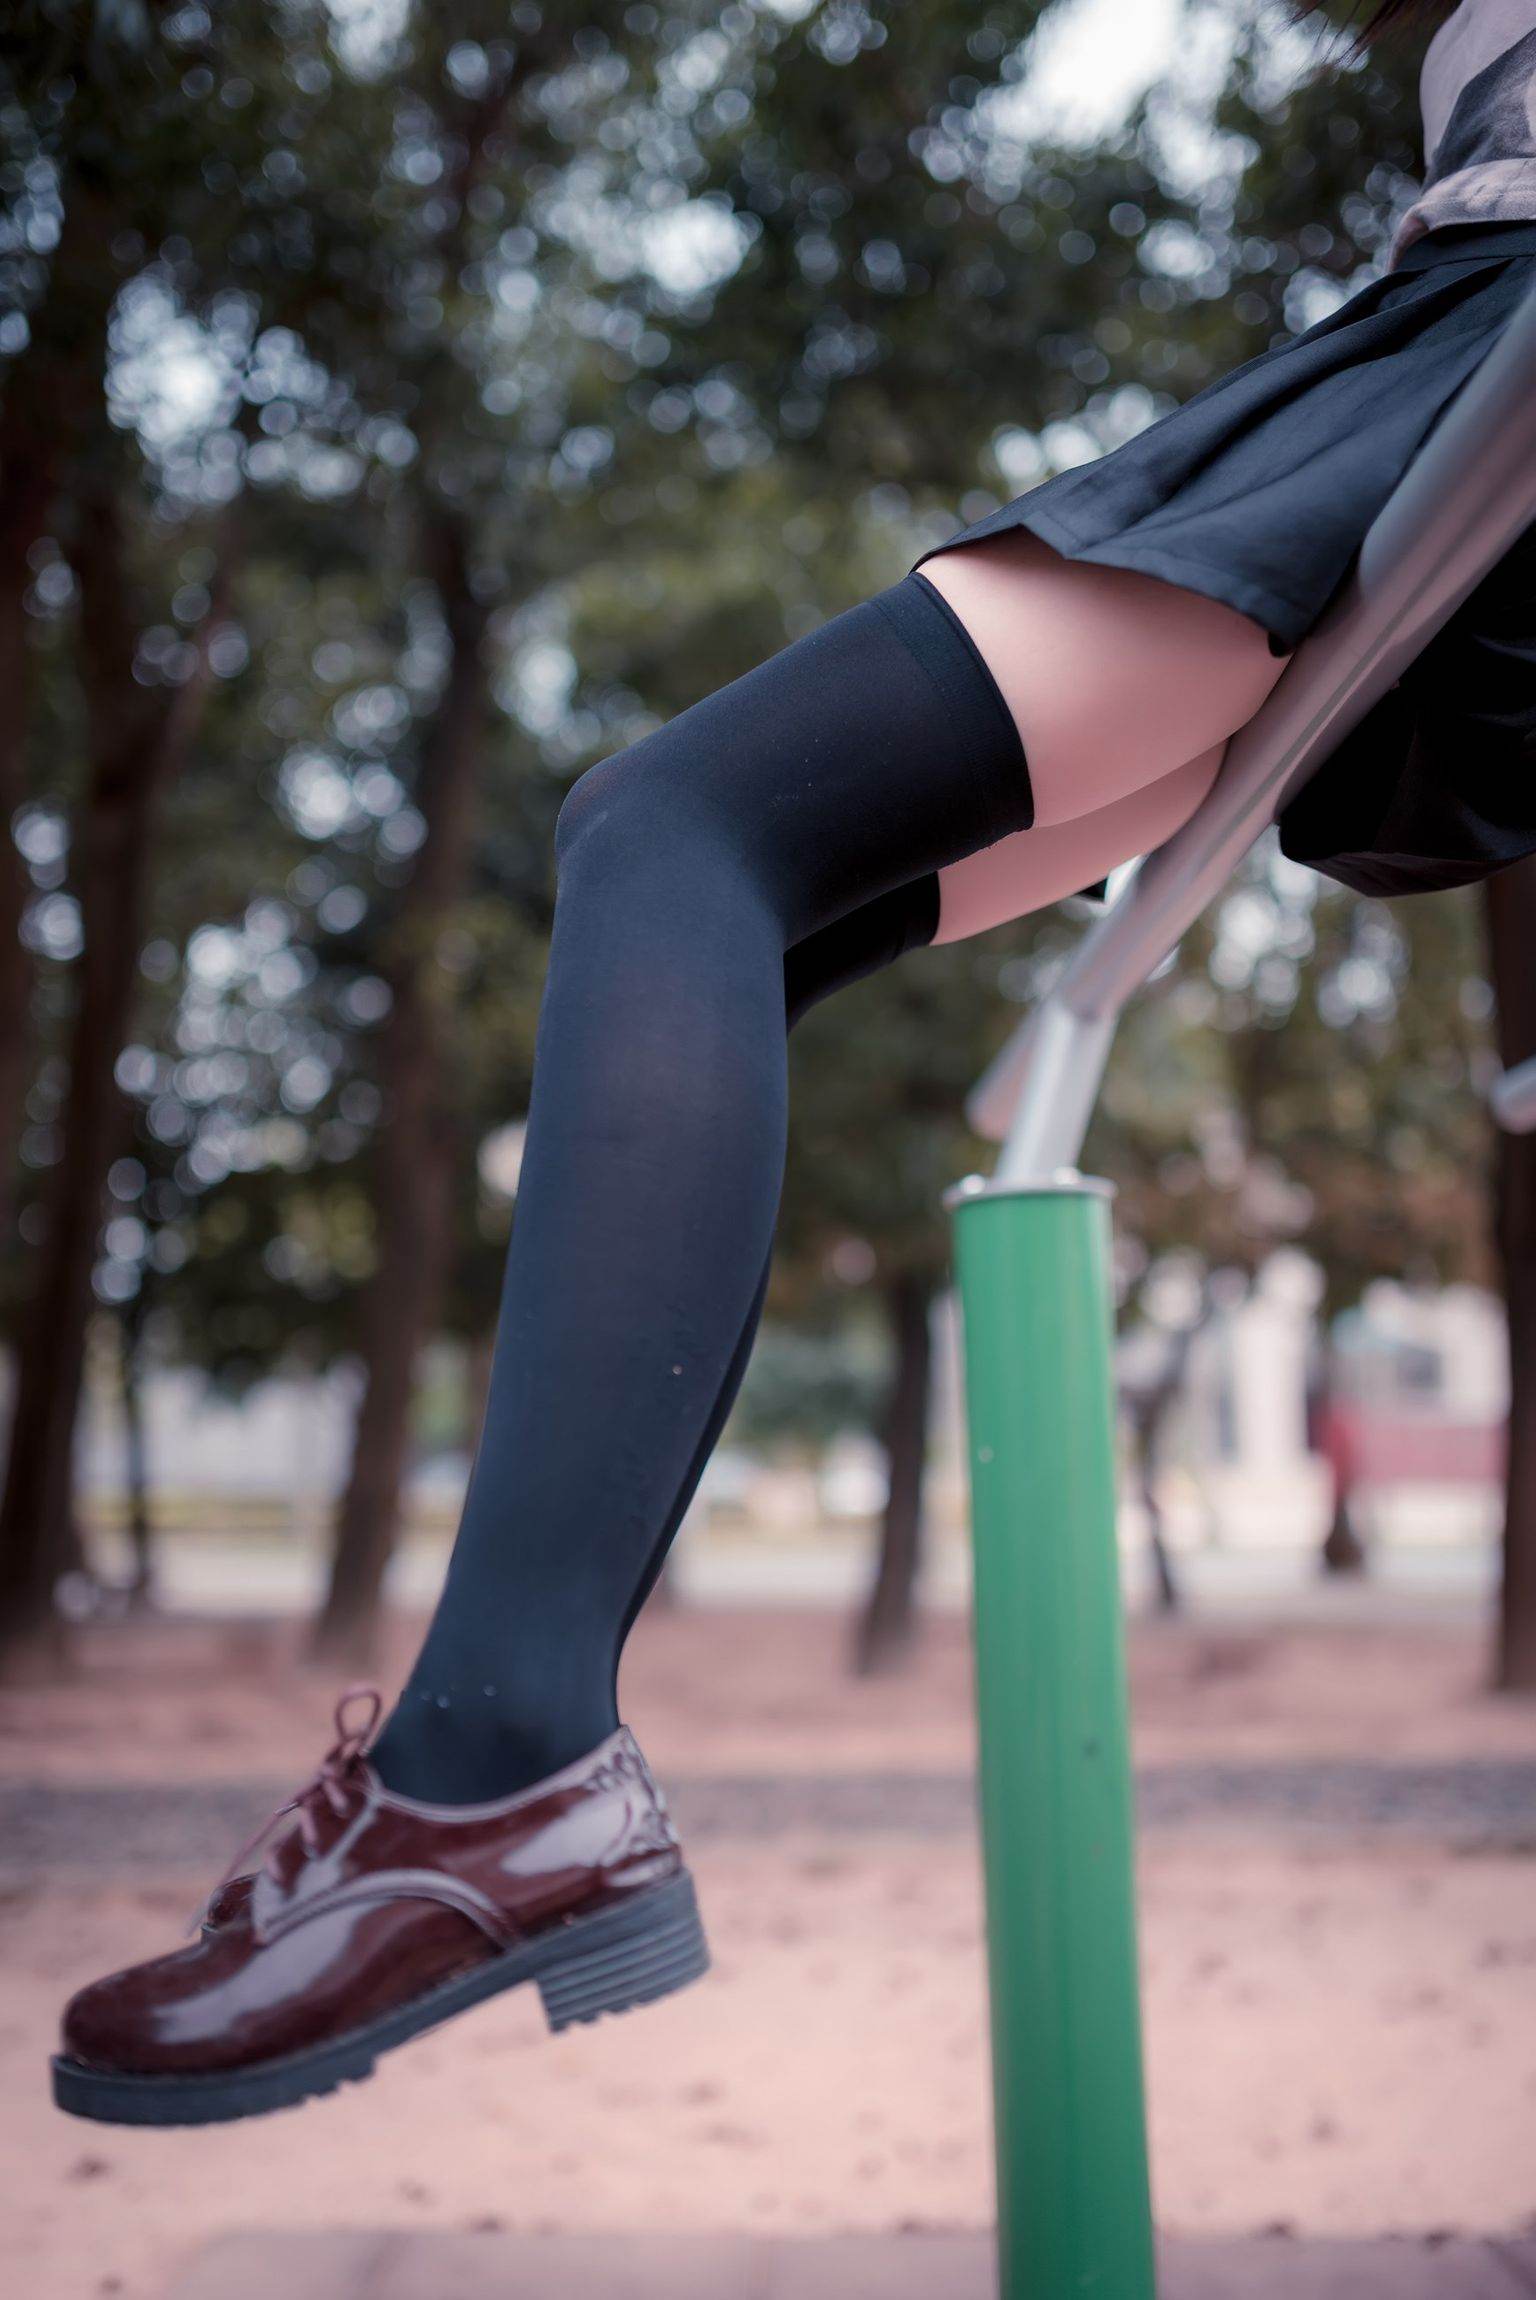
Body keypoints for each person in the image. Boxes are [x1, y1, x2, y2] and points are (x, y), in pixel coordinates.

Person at [52, 0, 1536, 2126]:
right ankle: (497, 1753)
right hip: (1466, 398)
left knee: (675, 833)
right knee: (744, 896)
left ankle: (497, 1764)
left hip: (1489, 361)